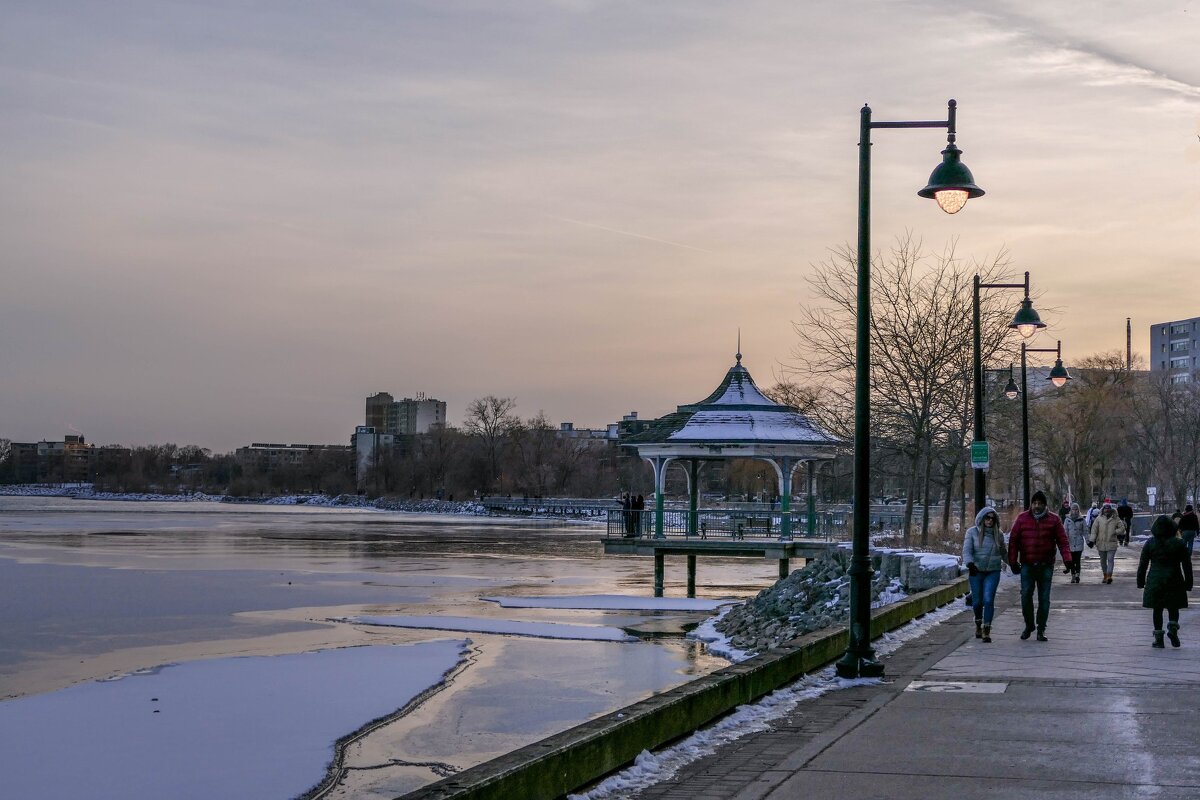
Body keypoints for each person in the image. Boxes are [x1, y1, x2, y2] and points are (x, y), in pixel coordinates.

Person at [1008, 490, 1072, 641]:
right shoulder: (1022, 519)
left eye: (1040, 503)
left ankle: (1041, 628)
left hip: (1045, 565)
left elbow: (1062, 541)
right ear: (1031, 504)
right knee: (1025, 596)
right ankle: (1029, 625)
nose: (1037, 506)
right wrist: (1012, 561)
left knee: (1044, 599)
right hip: (1027, 565)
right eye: (1034, 503)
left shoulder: (1054, 520)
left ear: (1044, 505)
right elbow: (1013, 541)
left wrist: (1067, 560)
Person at [1137, 515, 1193, 648]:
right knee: (1173, 607)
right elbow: (1187, 565)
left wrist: (1140, 581)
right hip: (1174, 578)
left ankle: (1158, 639)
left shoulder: (1150, 543)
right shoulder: (1179, 544)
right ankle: (1173, 629)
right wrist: (1188, 582)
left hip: (1155, 579)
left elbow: (1143, 564)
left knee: (1157, 609)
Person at [962, 506, 1007, 643]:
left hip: (993, 571)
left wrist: (1014, 564)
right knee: (977, 602)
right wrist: (970, 563)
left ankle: (987, 628)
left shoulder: (998, 534)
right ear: (982, 518)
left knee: (988, 600)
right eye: (987, 518)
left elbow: (1003, 553)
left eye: (992, 518)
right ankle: (978, 623)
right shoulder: (972, 532)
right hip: (976, 570)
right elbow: (967, 550)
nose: (989, 521)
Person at [1090, 502, 1124, 584]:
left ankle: (1109, 576)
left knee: (1110, 560)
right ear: (1103, 509)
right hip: (1101, 543)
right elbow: (1094, 530)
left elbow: (1122, 528)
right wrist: (1092, 540)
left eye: (1108, 509)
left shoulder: (1116, 518)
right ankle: (1105, 575)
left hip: (1111, 543)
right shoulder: (1098, 519)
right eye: (1105, 508)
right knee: (1103, 561)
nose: (1107, 510)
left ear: (1111, 510)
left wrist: (1115, 532)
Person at [1062, 502, 1087, 584]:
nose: (1075, 511)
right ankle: (1073, 575)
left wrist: (1088, 540)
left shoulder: (1082, 519)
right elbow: (1065, 531)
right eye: (1073, 509)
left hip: (1079, 542)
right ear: (1071, 510)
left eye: (1076, 509)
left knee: (1078, 560)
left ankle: (1077, 575)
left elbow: (1085, 531)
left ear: (1078, 510)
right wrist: (1064, 541)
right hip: (1070, 543)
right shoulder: (1067, 519)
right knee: (1072, 560)